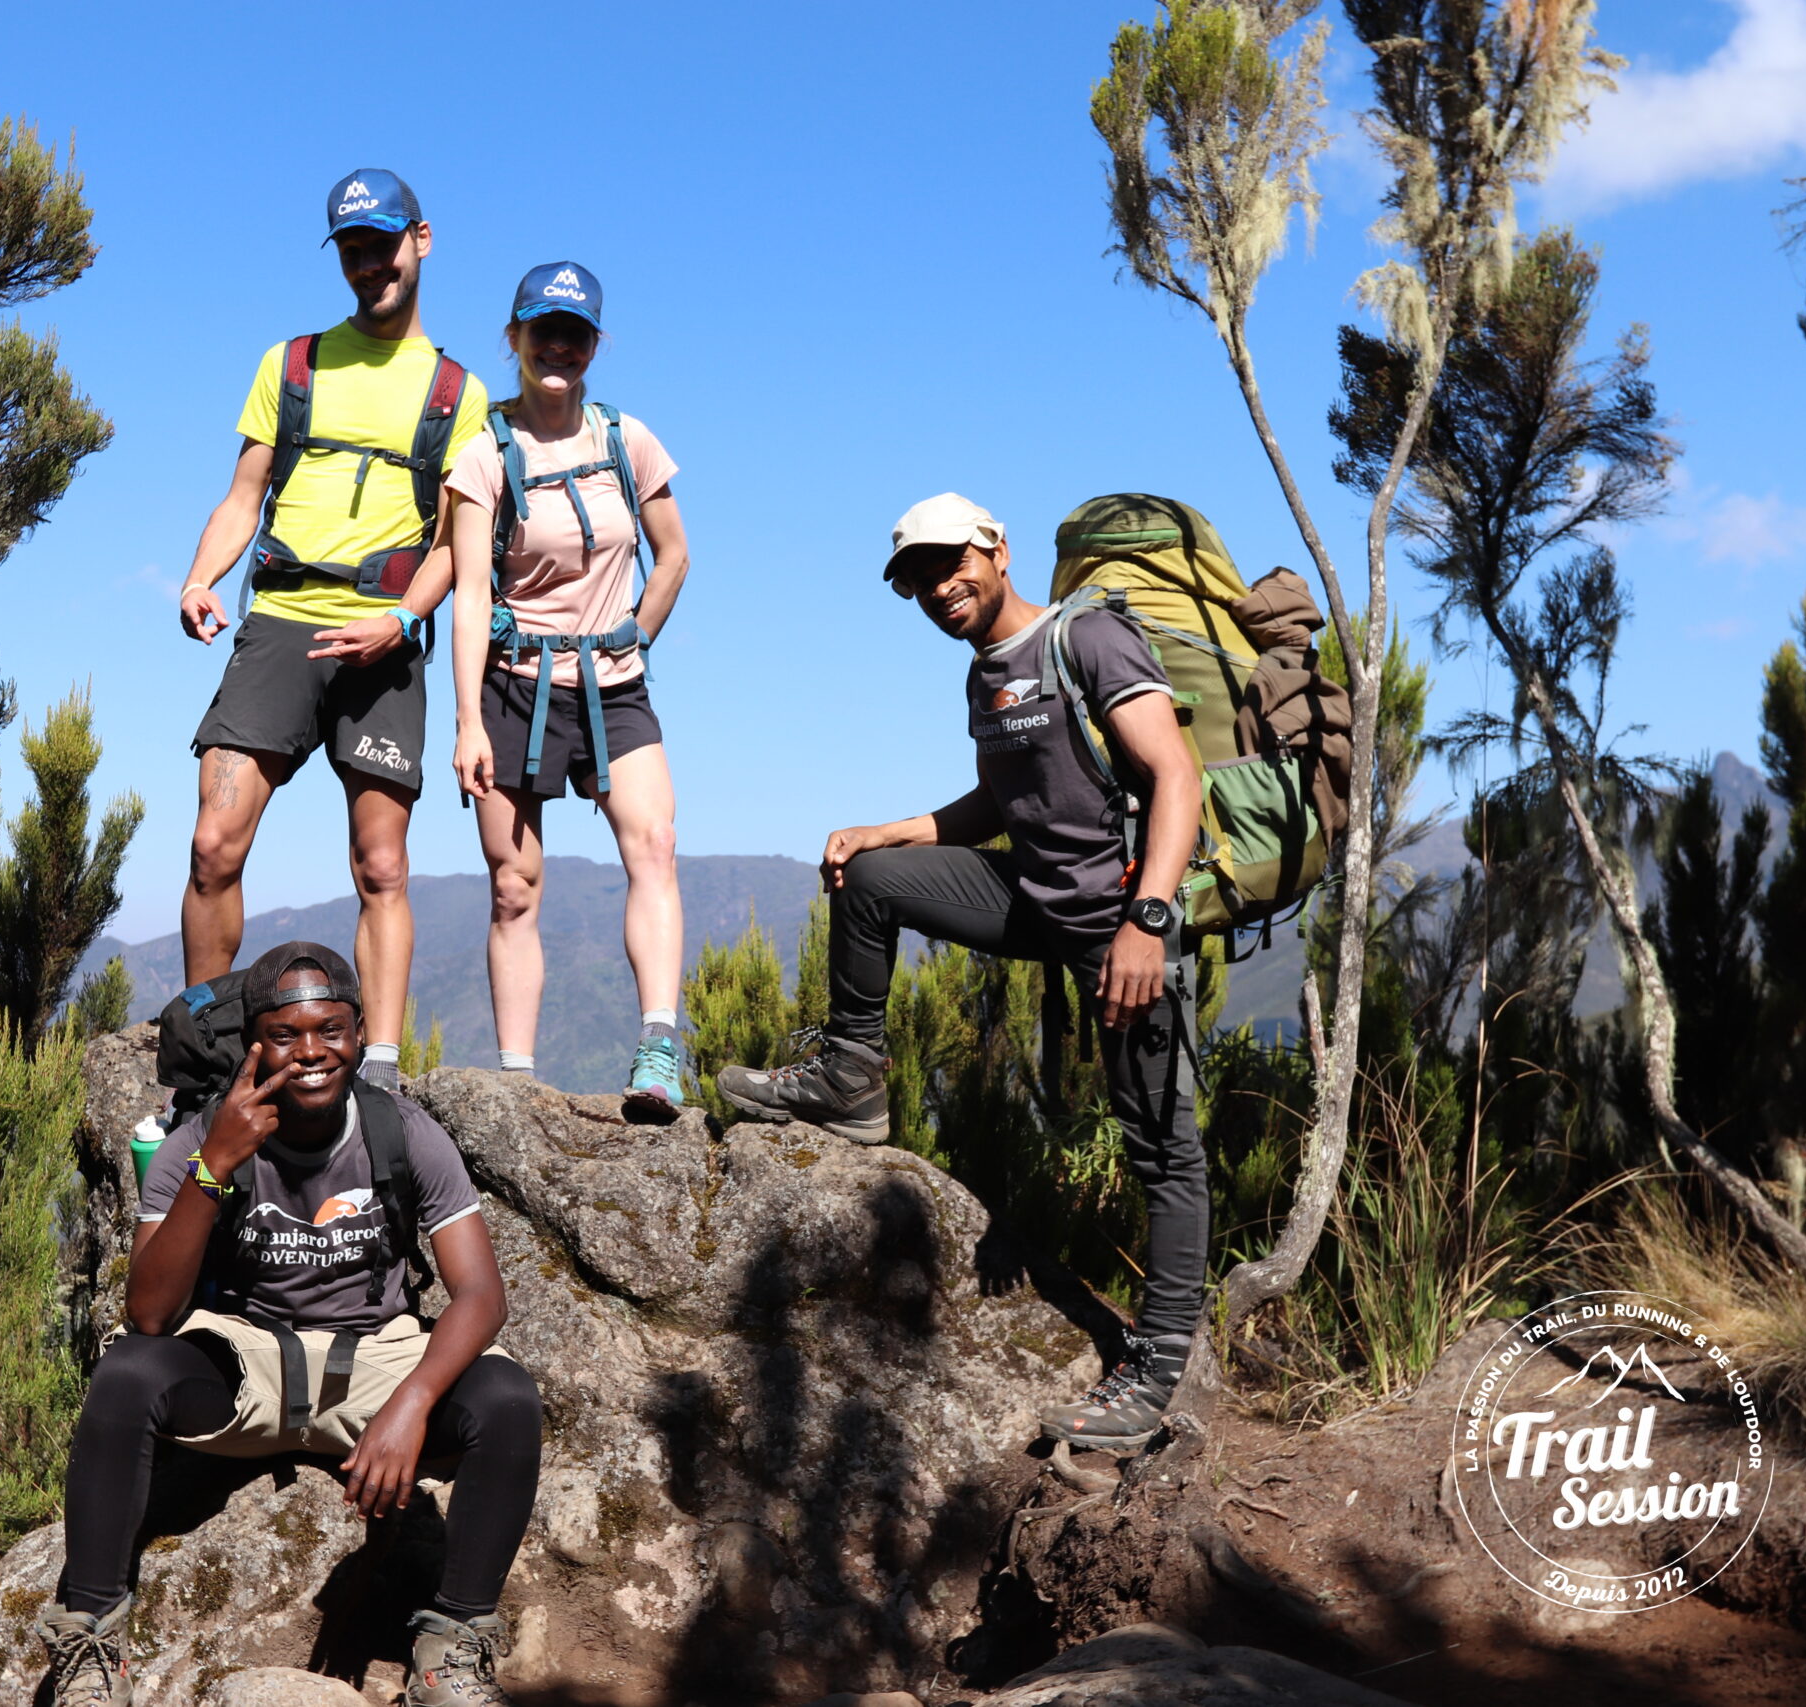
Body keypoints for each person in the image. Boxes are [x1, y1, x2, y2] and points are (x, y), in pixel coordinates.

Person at [714, 495, 1209, 1452]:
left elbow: (1174, 774)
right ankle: (851, 1074)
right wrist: (888, 832)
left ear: (998, 549)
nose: (942, 588)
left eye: (954, 564)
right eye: (921, 579)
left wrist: (1148, 921)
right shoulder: (987, 674)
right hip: (1033, 899)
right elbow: (1004, 799)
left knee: (1162, 1147)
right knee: (868, 878)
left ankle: (1159, 1365)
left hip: (1119, 924)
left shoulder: (1089, 638)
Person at [33, 942, 541, 1706]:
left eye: (330, 1029)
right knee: (127, 1373)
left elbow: (480, 1295)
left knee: (506, 1398)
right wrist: (216, 1164)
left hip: (375, 1362)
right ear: (253, 1042)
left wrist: (410, 1406)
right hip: (244, 1364)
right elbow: (148, 1312)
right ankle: (92, 1647)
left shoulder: (403, 1134)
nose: (310, 1052)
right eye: (285, 1033)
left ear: (361, 1033)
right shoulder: (200, 1140)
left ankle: (452, 1654)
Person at [176, 169, 492, 1093]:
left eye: (383, 244)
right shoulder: (292, 364)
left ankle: (382, 1070)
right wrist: (201, 576)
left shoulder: (459, 393)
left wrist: (401, 619)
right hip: (279, 618)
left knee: (382, 862)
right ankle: (206, 1058)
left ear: (421, 241)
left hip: (384, 637)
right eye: (351, 247)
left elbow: (454, 548)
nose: (369, 263)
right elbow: (244, 495)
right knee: (211, 846)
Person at [445, 262, 692, 1114]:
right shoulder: (484, 456)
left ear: (596, 344)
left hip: (614, 686)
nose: (558, 346)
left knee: (653, 847)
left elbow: (675, 554)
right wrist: (468, 720)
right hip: (514, 687)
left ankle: (659, 1047)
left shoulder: (630, 441)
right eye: (542, 329)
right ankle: (518, 1082)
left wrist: (634, 636)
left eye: (575, 333)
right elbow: (471, 592)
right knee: (514, 886)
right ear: (512, 337)